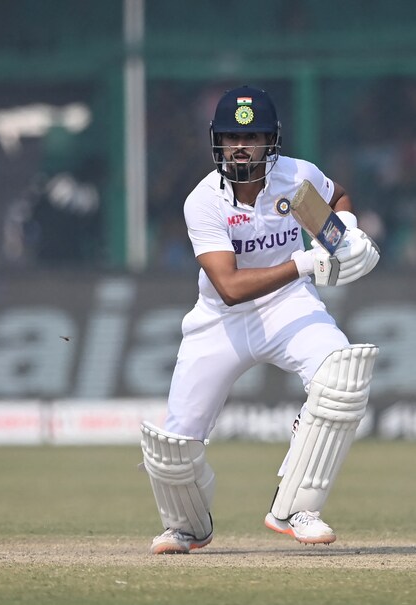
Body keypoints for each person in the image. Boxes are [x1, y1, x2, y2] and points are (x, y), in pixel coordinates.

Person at [140, 86, 381, 555]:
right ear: (217, 141)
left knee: (341, 375)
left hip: (289, 305)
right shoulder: (204, 201)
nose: (240, 147)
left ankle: (297, 509)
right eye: (230, 137)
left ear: (273, 141)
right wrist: (307, 263)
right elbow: (229, 288)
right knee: (173, 445)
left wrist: (343, 235)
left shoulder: (296, 178)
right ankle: (186, 527)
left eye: (252, 137)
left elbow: (339, 199)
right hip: (219, 321)